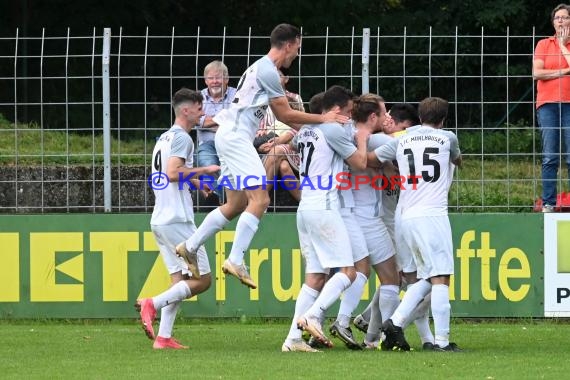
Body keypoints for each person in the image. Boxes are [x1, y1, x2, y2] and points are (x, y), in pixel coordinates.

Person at [176, 24, 349, 290]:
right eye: (298, 48)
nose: (297, 55)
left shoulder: (260, 68)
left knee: (235, 205)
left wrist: (316, 127)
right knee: (261, 198)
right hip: (235, 138)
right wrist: (324, 118)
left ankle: (190, 245)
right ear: (289, 44)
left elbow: (288, 120)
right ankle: (235, 259)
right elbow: (285, 115)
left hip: (230, 136)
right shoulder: (268, 69)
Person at [368, 97, 462, 352]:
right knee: (441, 276)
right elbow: (457, 160)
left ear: (420, 117)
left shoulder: (401, 139)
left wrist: (390, 168)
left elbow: (372, 159)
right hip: (431, 214)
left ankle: (395, 323)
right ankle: (442, 341)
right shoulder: (448, 138)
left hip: (404, 214)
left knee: (424, 276)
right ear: (443, 120)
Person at [282, 85, 369, 352]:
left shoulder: (308, 131)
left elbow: (295, 139)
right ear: (336, 110)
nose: (351, 117)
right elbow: (360, 163)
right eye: (349, 112)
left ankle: (292, 340)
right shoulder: (332, 129)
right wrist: (363, 137)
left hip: (306, 207)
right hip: (325, 205)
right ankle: (311, 316)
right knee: (348, 272)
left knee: (316, 277)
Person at [136, 88, 220, 349]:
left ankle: (163, 337)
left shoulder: (164, 138)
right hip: (177, 221)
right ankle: (152, 304)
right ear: (186, 110)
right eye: (198, 108)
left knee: (180, 282)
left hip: (160, 219)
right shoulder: (184, 138)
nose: (202, 112)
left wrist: (196, 182)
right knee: (203, 280)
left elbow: (172, 171)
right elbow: (173, 173)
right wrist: (205, 169)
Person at [533, 3, 570, 213]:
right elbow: (536, 74)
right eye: (558, 18)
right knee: (549, 156)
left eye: (565, 17)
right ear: (553, 22)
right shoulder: (543, 44)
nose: (561, 21)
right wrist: (565, 71)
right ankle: (548, 203)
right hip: (547, 105)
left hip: (569, 105)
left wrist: (564, 45)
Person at [255, 68, 304, 202]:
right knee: (283, 166)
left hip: (288, 143)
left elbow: (301, 126)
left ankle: (259, 201)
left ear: (286, 78)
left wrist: (281, 140)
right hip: (264, 142)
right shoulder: (259, 100)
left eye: (279, 75)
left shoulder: (294, 98)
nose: (275, 78)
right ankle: (304, 202)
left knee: (278, 154)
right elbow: (256, 127)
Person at [196, 60, 237, 203]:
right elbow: (197, 121)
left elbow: (238, 122)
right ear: (205, 80)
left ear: (226, 79)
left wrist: (207, 121)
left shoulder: (236, 95)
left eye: (218, 77)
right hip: (208, 143)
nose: (215, 82)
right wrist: (224, 119)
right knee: (207, 164)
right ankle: (223, 199)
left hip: (232, 143)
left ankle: (228, 203)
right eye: (211, 78)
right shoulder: (198, 97)